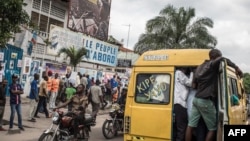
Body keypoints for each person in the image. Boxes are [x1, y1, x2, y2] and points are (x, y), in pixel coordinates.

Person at [185, 49, 243, 141]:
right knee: (212, 128)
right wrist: (236, 68)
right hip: (205, 100)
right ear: (215, 57)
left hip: (196, 99)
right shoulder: (211, 65)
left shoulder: (199, 67)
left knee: (190, 125)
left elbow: (194, 85)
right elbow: (222, 59)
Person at [173, 67, 193, 141]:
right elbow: (190, 83)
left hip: (177, 103)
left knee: (177, 128)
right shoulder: (179, 73)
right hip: (180, 104)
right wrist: (192, 73)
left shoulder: (175, 74)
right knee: (181, 128)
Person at [0, 64, 7, 131]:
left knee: (1, 116)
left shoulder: (4, 88)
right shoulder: (1, 87)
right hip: (1, 104)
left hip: (3, 104)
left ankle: (0, 126)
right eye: (5, 82)